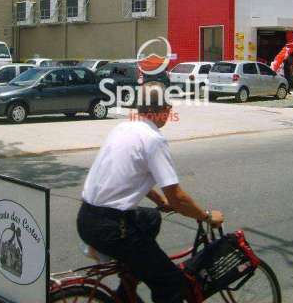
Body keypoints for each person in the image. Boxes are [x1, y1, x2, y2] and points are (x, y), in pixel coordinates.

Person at [77, 82, 224, 303]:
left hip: (87, 218)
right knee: (172, 283)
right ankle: (139, 270)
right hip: (113, 229)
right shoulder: (153, 140)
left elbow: (132, 176)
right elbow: (178, 198)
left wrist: (159, 199)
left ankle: (127, 287)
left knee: (151, 218)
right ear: (160, 110)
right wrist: (206, 216)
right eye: (168, 107)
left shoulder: (123, 128)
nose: (169, 112)